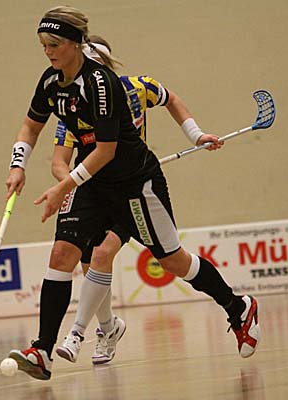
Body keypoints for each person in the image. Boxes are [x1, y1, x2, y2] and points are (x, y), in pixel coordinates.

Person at [6, 6, 259, 381]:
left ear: (76, 43)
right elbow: (30, 127)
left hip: (134, 185)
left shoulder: (103, 85)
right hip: (92, 183)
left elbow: (106, 151)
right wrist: (18, 164)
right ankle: (43, 350)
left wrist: (63, 187)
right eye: (43, 44)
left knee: (173, 261)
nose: (48, 51)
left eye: (54, 44)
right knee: (62, 253)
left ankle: (238, 307)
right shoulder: (50, 82)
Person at [51, 34, 225, 365]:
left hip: (131, 187)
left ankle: (76, 333)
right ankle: (109, 327)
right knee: (90, 264)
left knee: (103, 254)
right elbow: (59, 161)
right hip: (93, 191)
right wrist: (71, 184)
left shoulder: (137, 87)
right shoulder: (73, 106)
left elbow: (171, 98)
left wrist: (195, 134)